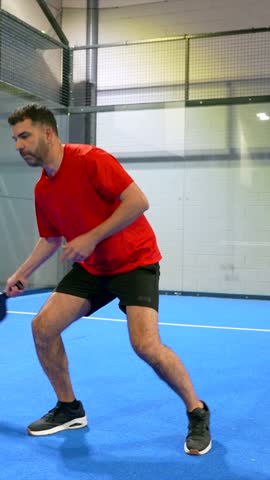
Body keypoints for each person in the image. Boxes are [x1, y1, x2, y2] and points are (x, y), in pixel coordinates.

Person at [6, 103, 211, 455]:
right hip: (93, 269)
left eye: (24, 136)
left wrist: (91, 237)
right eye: (14, 139)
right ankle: (69, 409)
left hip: (135, 261)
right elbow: (51, 238)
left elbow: (137, 201)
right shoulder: (43, 190)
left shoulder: (90, 159)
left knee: (145, 345)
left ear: (48, 133)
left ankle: (197, 411)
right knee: (42, 328)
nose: (18, 145)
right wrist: (21, 274)